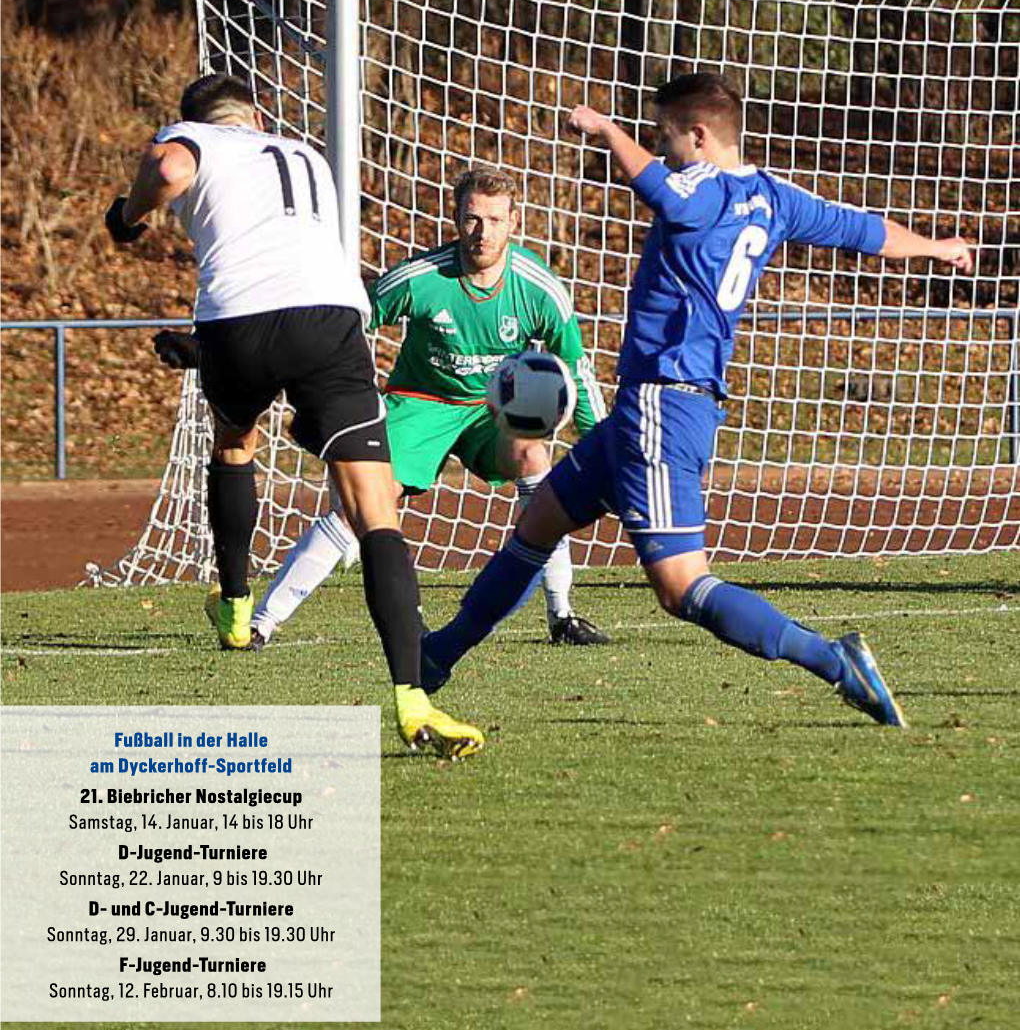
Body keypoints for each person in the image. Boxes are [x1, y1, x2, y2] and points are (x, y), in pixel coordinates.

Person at [419, 72, 976, 728]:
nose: (665, 149)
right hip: (652, 407)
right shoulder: (772, 196)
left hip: (663, 404)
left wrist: (604, 128)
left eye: (669, 136)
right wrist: (935, 248)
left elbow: (657, 186)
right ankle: (432, 659)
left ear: (702, 135)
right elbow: (861, 229)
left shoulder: (699, 187)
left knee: (682, 587)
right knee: (540, 520)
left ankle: (836, 661)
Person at [105, 72, 484, 760]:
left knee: (235, 443)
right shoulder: (303, 152)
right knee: (375, 509)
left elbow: (166, 168)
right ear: (256, 114)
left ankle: (237, 605)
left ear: (199, 119)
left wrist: (126, 216)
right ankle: (412, 698)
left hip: (240, 320)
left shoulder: (193, 136)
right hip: (331, 319)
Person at [157, 167, 610, 652]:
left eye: (495, 220)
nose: (483, 232)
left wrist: (604, 446)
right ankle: (262, 623)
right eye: (473, 218)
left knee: (534, 456)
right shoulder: (422, 279)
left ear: (514, 223)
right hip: (422, 403)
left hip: (491, 409)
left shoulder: (539, 288)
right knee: (365, 502)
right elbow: (344, 318)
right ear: (456, 218)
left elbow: (574, 370)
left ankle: (562, 615)